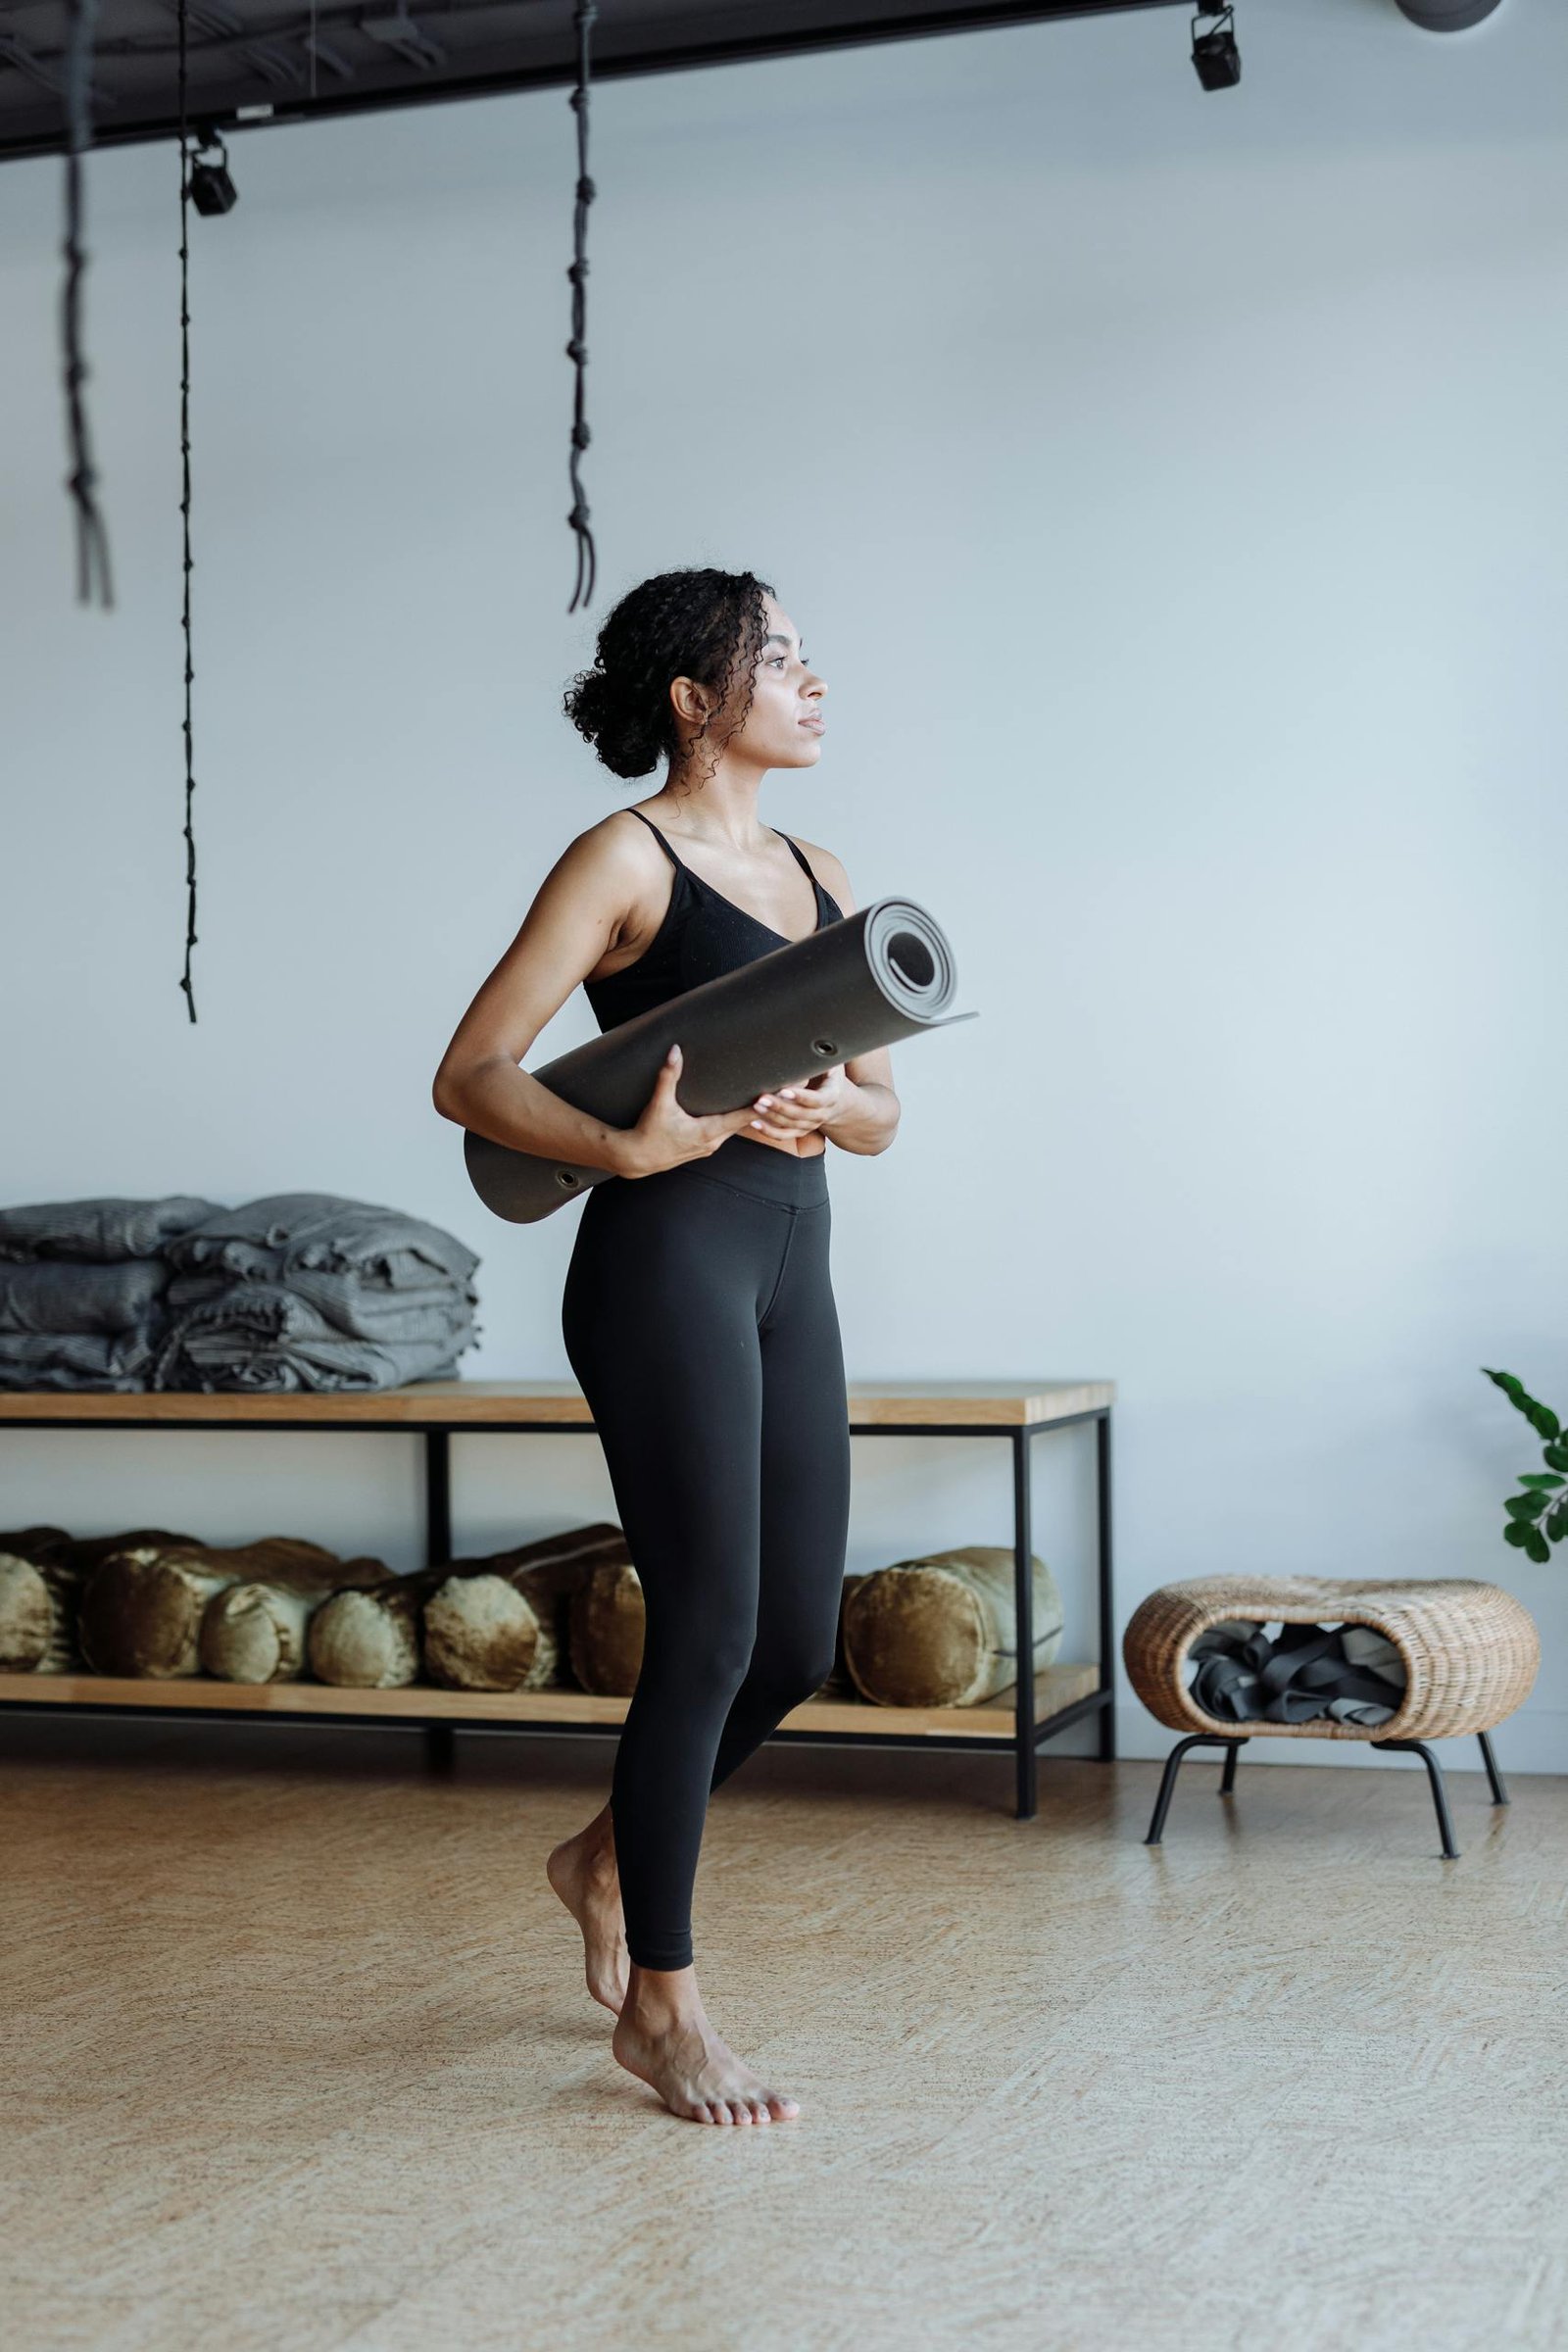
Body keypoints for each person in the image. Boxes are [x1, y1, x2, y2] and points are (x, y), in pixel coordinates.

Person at [432, 567, 901, 2125]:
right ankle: (666, 2007)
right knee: (706, 1624)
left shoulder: (823, 872)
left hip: (791, 1262)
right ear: (695, 702)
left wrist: (844, 1108)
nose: (812, 680)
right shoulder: (621, 860)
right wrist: (625, 1153)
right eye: (779, 659)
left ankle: (604, 1856)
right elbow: (473, 1072)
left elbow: (887, 1115)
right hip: (662, 1268)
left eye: (806, 654)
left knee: (790, 1642)